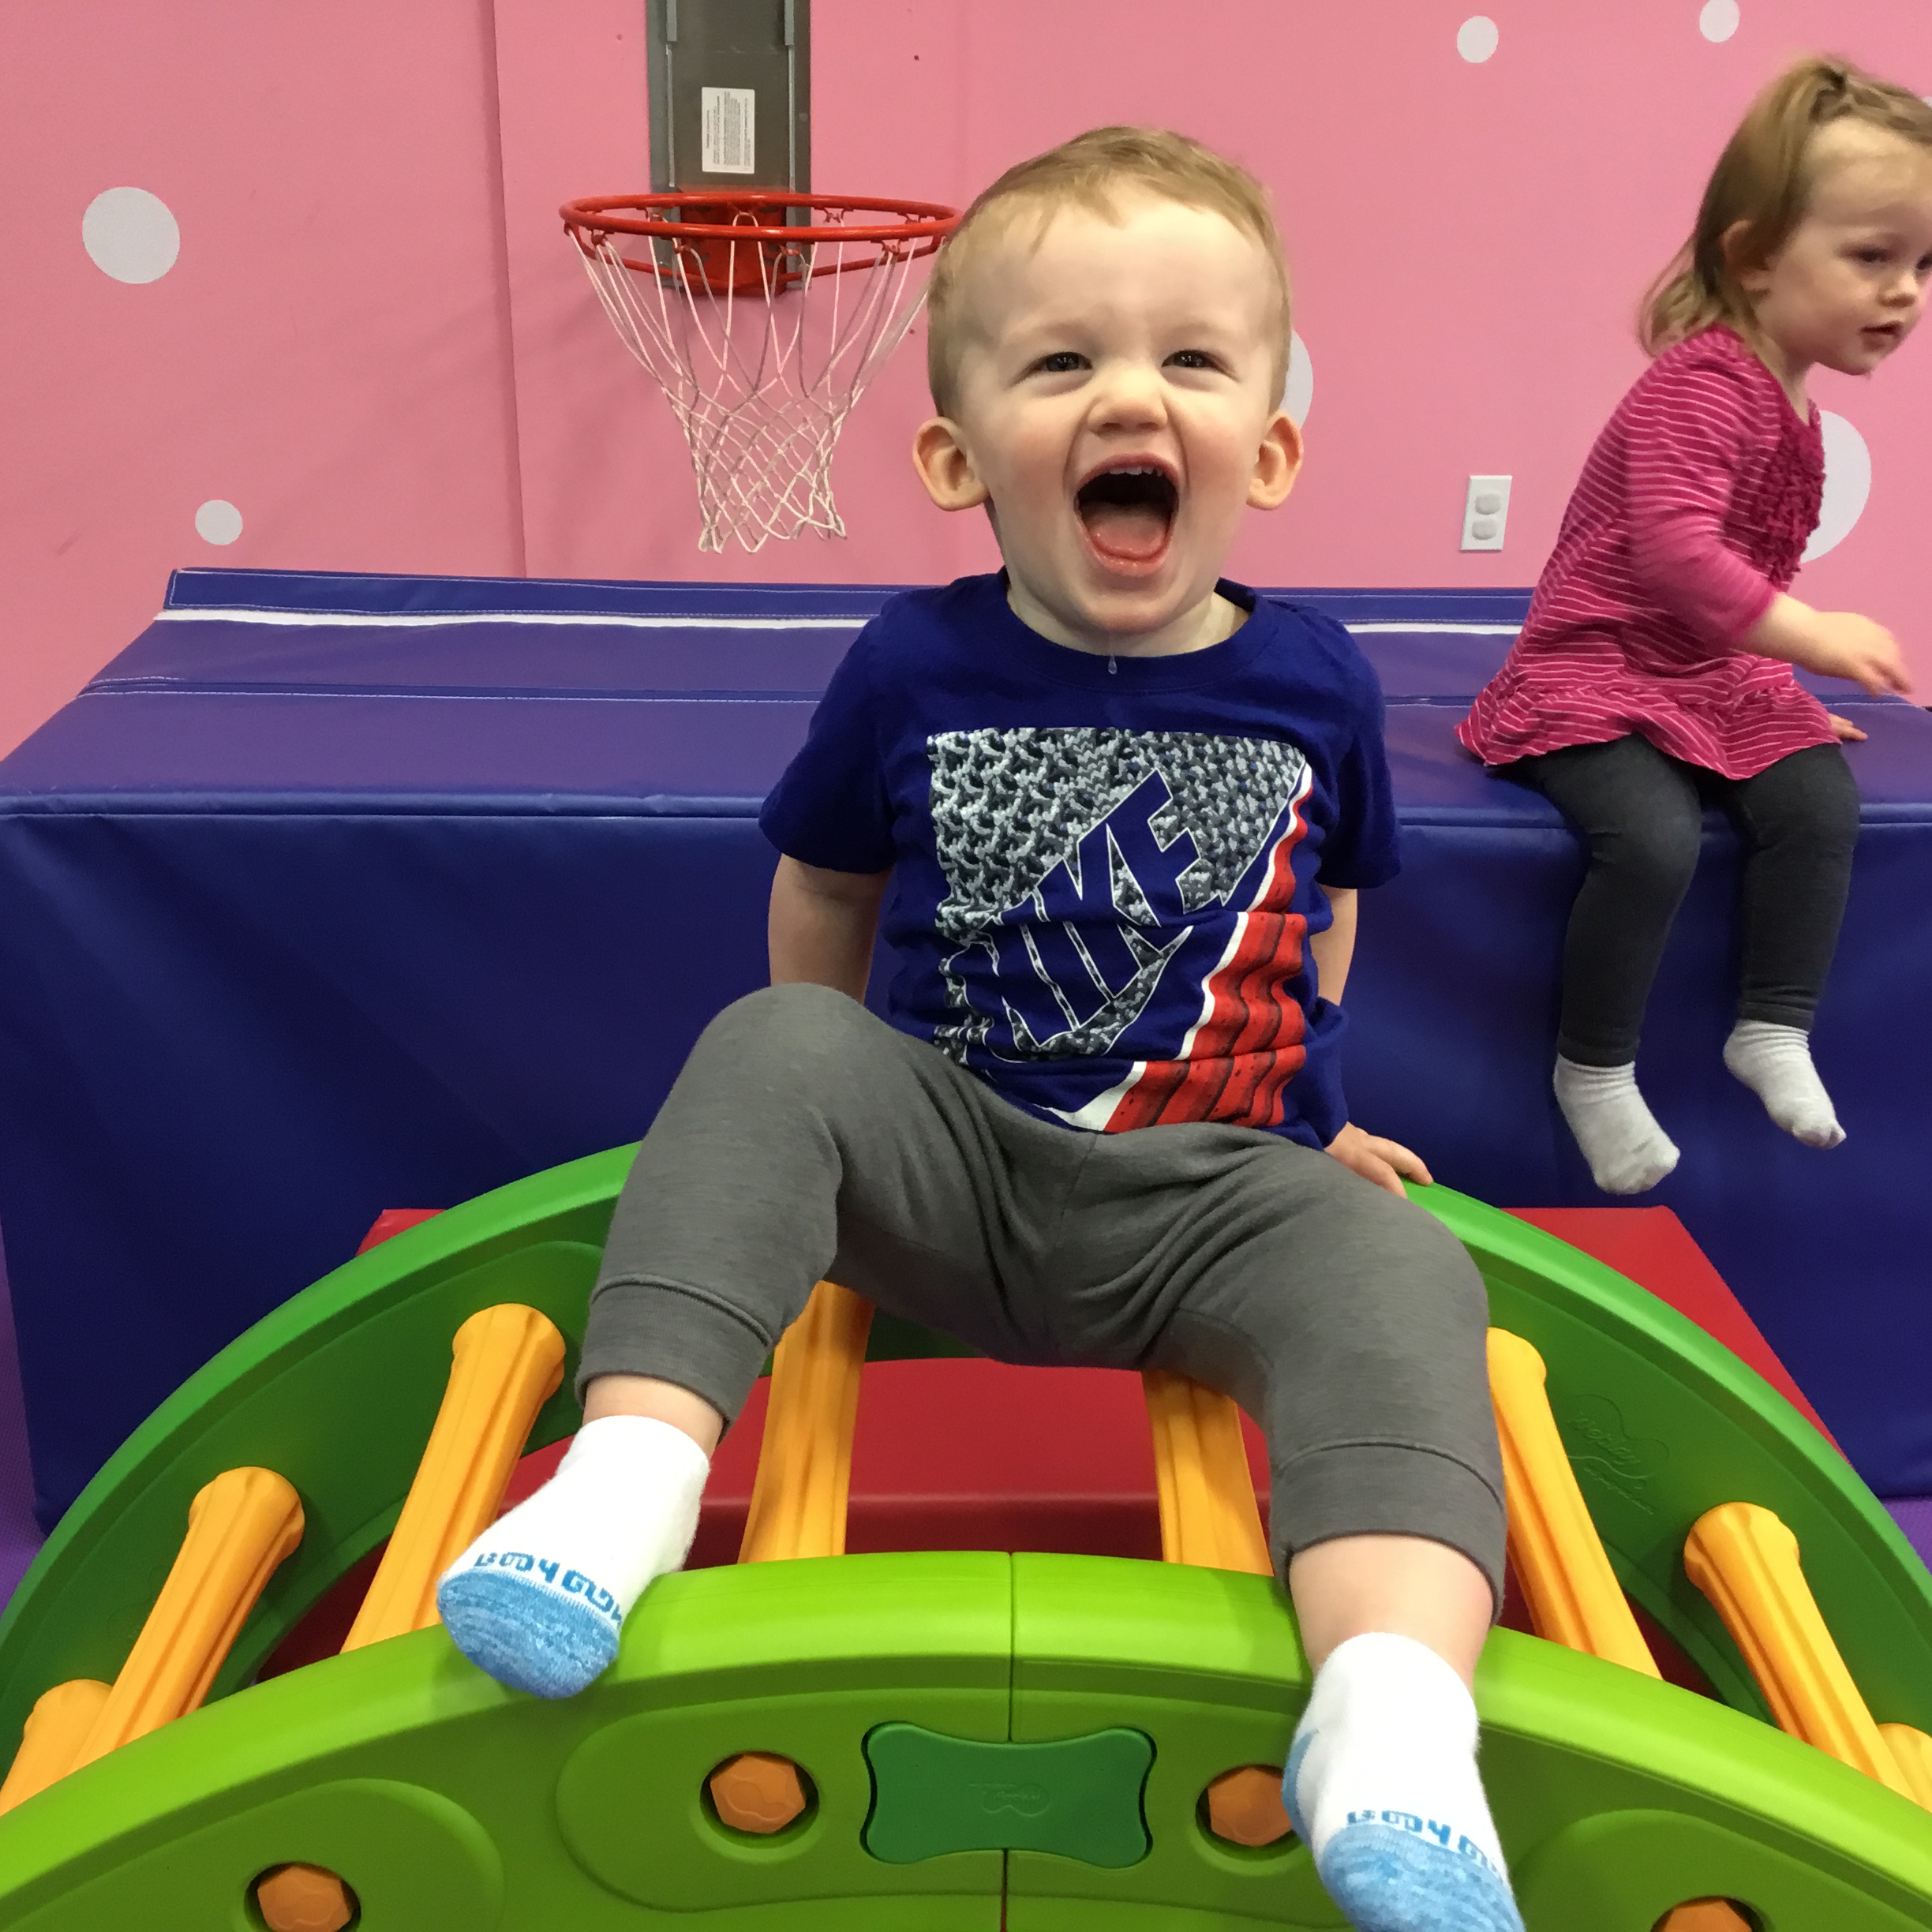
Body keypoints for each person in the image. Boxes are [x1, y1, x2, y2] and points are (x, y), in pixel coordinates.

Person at [439, 128, 1522, 1932]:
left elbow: (1325, 908)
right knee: (767, 1045)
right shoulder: (913, 663)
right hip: (946, 1165)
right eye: (1062, 361)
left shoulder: (1318, 677)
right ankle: (622, 1487)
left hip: (1211, 1200)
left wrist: (1316, 1112)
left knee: (1408, 1283)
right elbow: (824, 891)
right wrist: (823, 1113)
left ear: (1268, 447)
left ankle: (1392, 1714)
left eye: (1191, 358)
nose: (1132, 395)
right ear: (959, 458)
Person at [1459, 57, 1932, 1196]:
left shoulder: (1795, 400)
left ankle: (1773, 1025)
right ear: (1757, 255)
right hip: (1596, 664)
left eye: (1924, 264)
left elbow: (1733, 585)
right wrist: (1807, 637)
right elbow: (1677, 556)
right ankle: (1595, 1067)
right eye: (1874, 257)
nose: (1907, 291)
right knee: (1654, 838)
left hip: (1703, 671)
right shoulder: (1703, 384)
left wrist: (1780, 689)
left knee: (1819, 797)